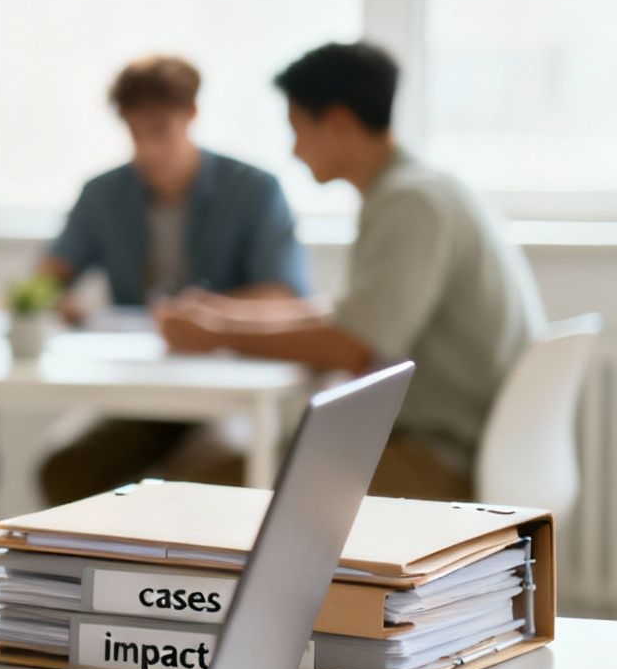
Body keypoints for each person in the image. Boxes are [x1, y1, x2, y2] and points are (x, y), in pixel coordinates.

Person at [154, 41, 546, 501]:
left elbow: (355, 345)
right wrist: (226, 315)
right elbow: (350, 315)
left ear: (338, 123)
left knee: (194, 493)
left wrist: (218, 333)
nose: (294, 149)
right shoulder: (417, 189)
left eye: (298, 128)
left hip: (438, 456)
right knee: (210, 472)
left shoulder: (411, 203)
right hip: (453, 445)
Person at [36, 54, 311, 506]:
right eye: (135, 132)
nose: (147, 149)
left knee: (205, 478)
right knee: (67, 467)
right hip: (143, 393)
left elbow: (285, 296)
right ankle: (103, 575)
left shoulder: (254, 190)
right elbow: (47, 280)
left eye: (160, 130)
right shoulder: (104, 194)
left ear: (191, 116)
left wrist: (207, 317)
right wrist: (56, 301)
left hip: (228, 392)